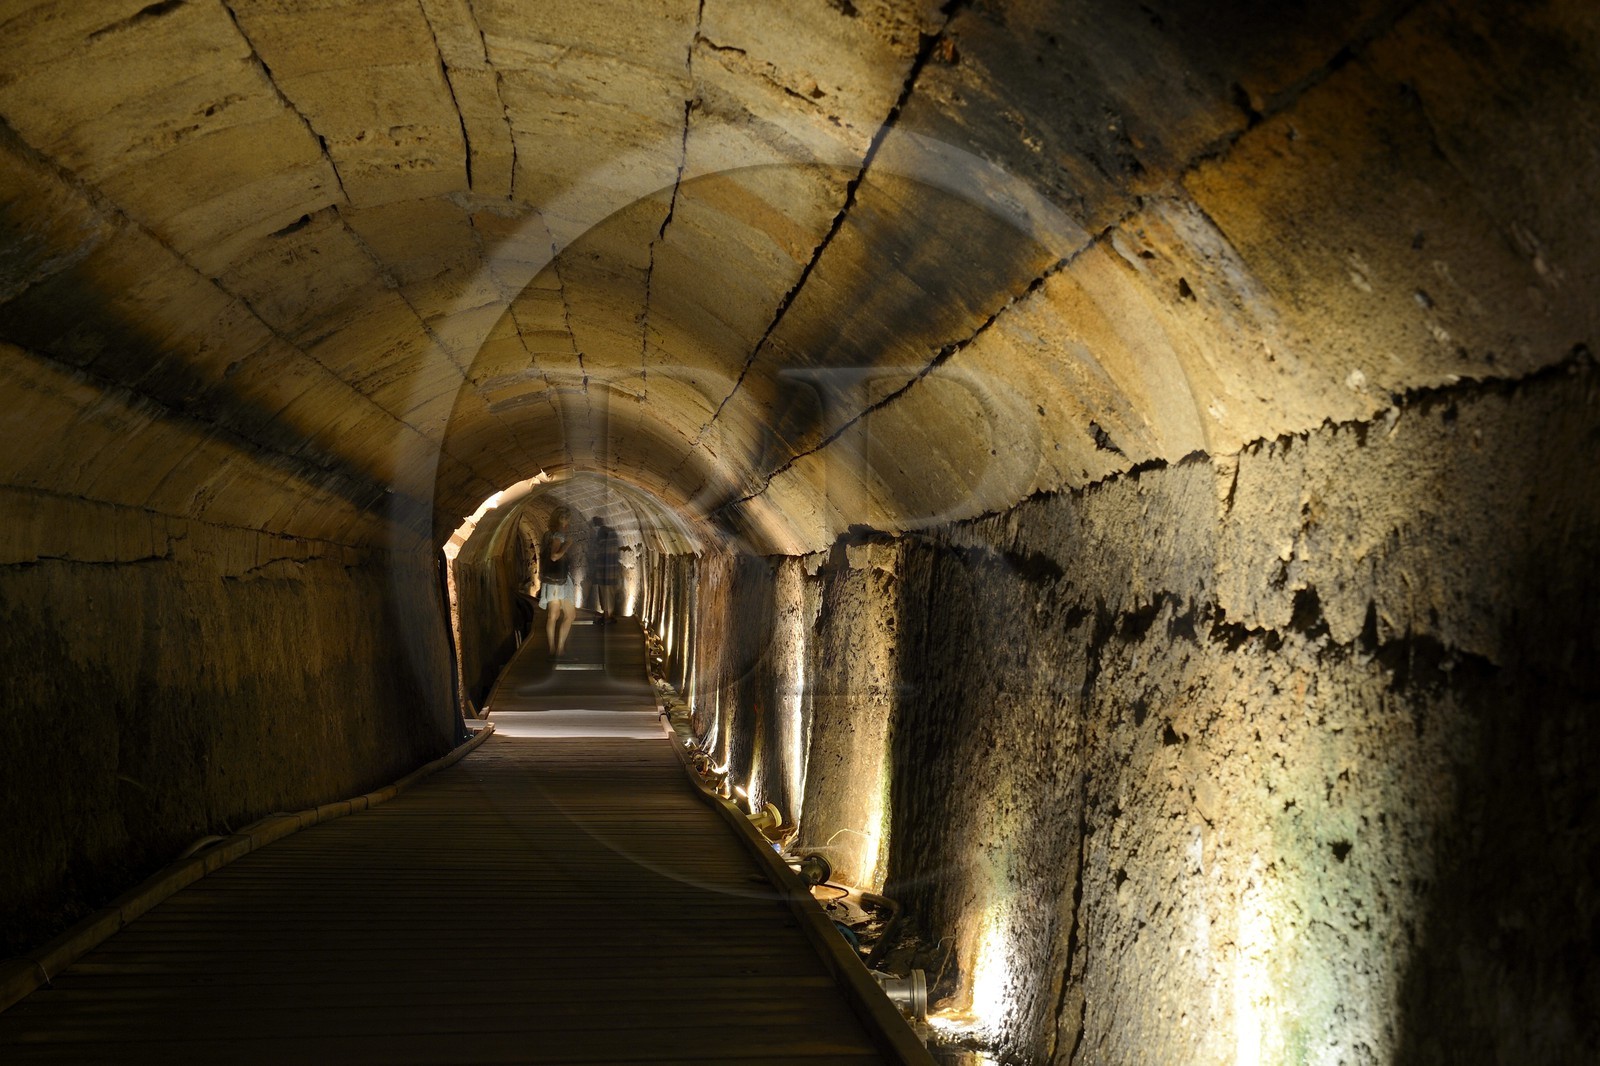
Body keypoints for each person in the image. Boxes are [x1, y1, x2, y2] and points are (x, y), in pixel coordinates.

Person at [538, 507, 576, 660]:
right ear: (563, 521)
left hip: (551, 581)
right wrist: (567, 544)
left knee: (553, 616)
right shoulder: (559, 535)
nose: (568, 522)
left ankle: (552, 650)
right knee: (570, 615)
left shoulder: (548, 534)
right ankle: (559, 650)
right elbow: (554, 556)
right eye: (566, 519)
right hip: (560, 581)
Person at [589, 516, 621, 624]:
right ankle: (608, 615)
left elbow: (598, 552)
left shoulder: (601, 534)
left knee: (605, 594)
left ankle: (607, 616)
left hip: (603, 570)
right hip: (612, 570)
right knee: (609, 593)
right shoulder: (612, 532)